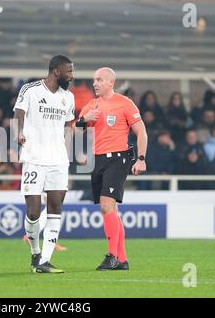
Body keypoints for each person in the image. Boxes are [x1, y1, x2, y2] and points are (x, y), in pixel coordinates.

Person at [77, 67, 148, 270]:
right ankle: (122, 259)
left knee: (106, 206)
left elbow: (141, 132)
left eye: (99, 79)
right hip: (98, 160)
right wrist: (85, 120)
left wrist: (141, 159)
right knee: (112, 210)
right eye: (93, 80)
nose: (95, 83)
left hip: (118, 158)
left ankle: (112, 256)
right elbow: (74, 130)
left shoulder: (125, 103)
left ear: (111, 82)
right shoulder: (91, 106)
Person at [13, 55, 75, 273]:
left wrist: (69, 150)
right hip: (34, 158)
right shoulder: (30, 89)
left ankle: (44, 261)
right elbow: (19, 111)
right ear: (56, 72)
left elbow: (68, 125)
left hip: (58, 160)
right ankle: (35, 252)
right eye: (69, 71)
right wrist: (19, 131)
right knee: (33, 211)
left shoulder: (68, 97)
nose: (71, 75)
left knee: (56, 206)